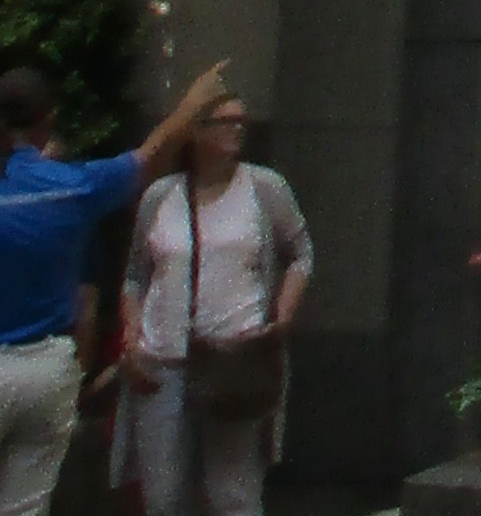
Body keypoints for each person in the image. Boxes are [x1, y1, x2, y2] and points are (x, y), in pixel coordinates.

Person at [0, 64, 231, 516]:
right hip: (46, 370)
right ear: (49, 118)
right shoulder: (72, 188)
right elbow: (148, 158)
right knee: (25, 508)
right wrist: (192, 105)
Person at [115, 92, 309, 516]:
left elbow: (300, 252)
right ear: (196, 131)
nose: (237, 129)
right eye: (225, 121)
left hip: (233, 360)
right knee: (164, 499)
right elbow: (135, 275)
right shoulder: (160, 196)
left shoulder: (264, 188)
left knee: (232, 497)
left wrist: (283, 316)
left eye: (242, 121)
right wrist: (131, 337)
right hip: (163, 360)